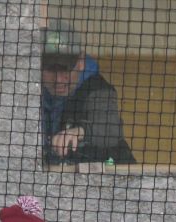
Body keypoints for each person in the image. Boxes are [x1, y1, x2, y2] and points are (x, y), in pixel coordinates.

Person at [41, 19, 135, 165]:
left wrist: (78, 132)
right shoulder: (30, 92)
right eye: (51, 69)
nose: (58, 80)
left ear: (81, 62)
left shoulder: (98, 89)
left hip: (114, 171)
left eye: (66, 69)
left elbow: (111, 130)